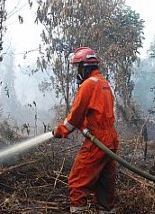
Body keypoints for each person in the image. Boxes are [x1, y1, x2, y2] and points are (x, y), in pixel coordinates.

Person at [52, 47, 119, 214]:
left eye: (78, 67)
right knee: (105, 185)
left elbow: (75, 115)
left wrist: (61, 131)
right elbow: (99, 113)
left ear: (85, 67)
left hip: (97, 141)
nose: (78, 71)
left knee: (77, 182)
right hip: (111, 140)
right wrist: (85, 126)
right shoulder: (104, 84)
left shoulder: (88, 85)